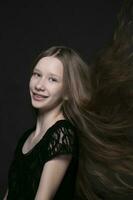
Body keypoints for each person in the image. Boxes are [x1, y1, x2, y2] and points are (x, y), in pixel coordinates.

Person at [3, 45, 91, 200]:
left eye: (52, 79)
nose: (39, 86)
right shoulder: (26, 137)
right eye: (37, 75)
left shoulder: (62, 134)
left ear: (68, 93)